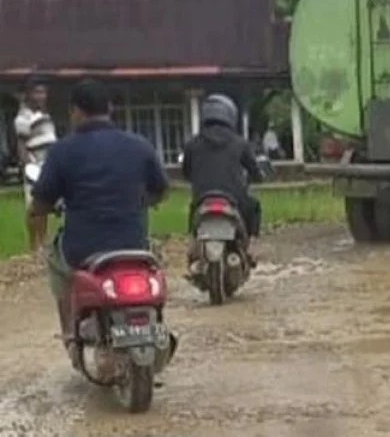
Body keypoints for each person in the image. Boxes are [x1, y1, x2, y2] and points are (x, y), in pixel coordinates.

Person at [27, 79, 170, 342]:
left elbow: (40, 203)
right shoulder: (139, 145)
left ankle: (71, 333)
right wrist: (139, 202)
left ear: (76, 112)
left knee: (58, 267)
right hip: (133, 244)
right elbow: (161, 189)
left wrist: (50, 208)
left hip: (82, 249)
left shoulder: (62, 151)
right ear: (111, 108)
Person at [181, 94, 263, 263]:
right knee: (254, 207)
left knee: (193, 210)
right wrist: (257, 177)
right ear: (230, 115)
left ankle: (192, 246)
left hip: (202, 197)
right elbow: (254, 171)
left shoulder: (192, 144)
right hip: (234, 198)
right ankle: (250, 248)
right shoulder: (240, 143)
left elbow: (186, 173)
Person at [12, 78, 49, 167]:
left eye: (44, 93)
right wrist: (31, 169)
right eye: (38, 93)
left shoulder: (44, 116)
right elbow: (21, 149)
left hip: (48, 169)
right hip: (37, 172)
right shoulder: (24, 117)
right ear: (29, 94)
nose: (42, 96)